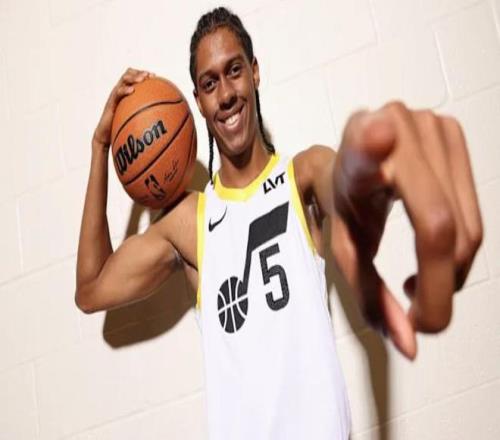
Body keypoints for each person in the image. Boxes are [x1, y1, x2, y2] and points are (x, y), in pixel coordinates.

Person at [76, 7, 483, 439]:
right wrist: (100, 144)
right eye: (209, 84)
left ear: (255, 72)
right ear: (197, 101)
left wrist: (382, 171)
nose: (225, 94)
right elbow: (91, 288)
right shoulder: (190, 223)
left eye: (234, 71)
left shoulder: (303, 175)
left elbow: (346, 183)